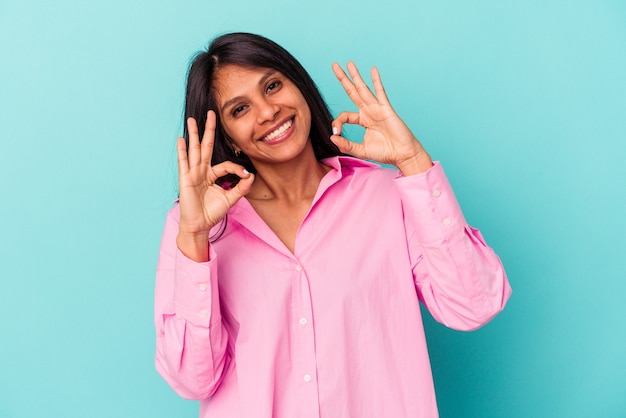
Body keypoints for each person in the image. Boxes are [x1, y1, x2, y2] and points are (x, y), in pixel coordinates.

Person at [154, 32, 511, 418]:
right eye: (239, 110)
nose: (268, 112)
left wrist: (413, 161)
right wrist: (193, 238)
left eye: (272, 86)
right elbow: (193, 380)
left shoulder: (387, 195)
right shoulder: (196, 226)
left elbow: (474, 306)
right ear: (227, 137)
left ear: (300, 86)